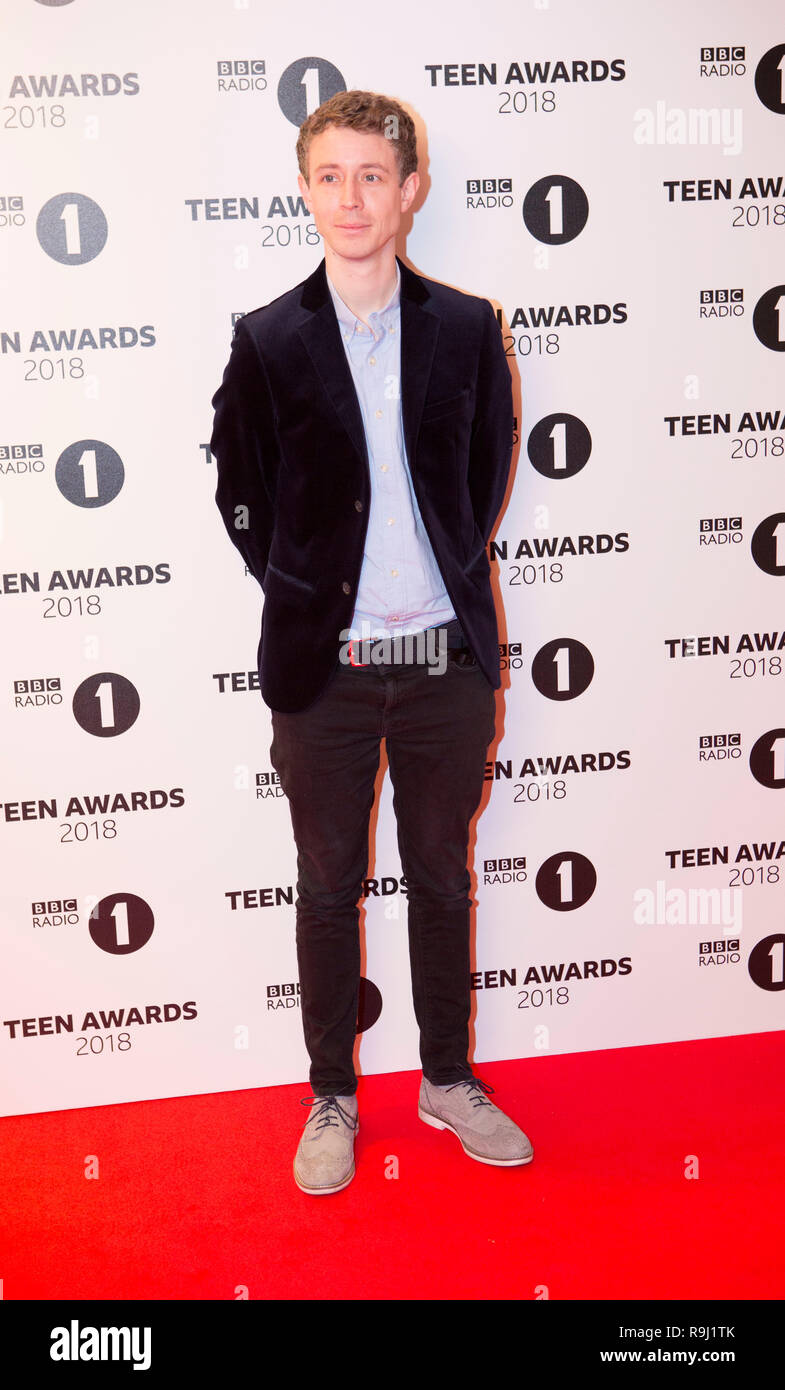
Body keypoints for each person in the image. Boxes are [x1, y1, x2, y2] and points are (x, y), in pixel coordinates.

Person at [210, 89, 533, 1194]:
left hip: (443, 661)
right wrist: (306, 591)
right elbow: (241, 495)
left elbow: (483, 473)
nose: (351, 197)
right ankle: (330, 1094)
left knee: (441, 877)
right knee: (324, 885)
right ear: (306, 190)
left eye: (372, 175)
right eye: (329, 175)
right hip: (326, 672)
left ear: (410, 189)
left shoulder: (462, 324)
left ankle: (446, 1077)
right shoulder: (263, 339)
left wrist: (427, 581)